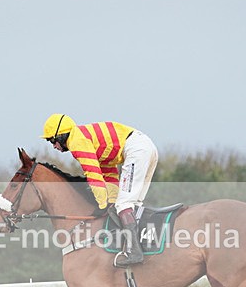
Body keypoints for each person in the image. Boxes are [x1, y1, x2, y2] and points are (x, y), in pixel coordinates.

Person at [41, 113, 158, 267]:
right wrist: (111, 200)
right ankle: (141, 246)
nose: (54, 147)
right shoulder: (89, 141)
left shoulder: (77, 141)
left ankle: (134, 252)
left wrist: (102, 204)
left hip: (136, 150)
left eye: (53, 141)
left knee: (124, 205)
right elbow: (108, 172)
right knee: (131, 204)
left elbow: (93, 174)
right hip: (146, 147)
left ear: (62, 135)